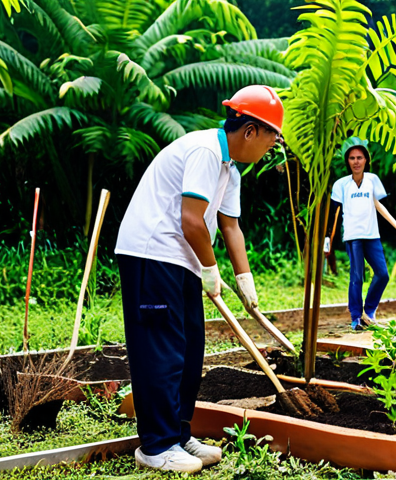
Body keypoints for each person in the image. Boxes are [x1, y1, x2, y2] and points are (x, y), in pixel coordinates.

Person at [114, 85, 283, 472]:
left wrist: (245, 279)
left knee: (190, 352)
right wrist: (211, 269)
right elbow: (191, 221)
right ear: (252, 131)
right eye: (273, 138)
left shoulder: (230, 168)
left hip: (182, 258)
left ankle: (177, 433)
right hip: (152, 253)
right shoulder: (207, 150)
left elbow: (230, 226)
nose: (271, 148)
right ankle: (155, 447)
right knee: (162, 350)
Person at [328, 138, 396, 331]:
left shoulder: (372, 180)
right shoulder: (341, 184)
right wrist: (328, 238)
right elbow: (335, 213)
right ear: (348, 161)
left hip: (372, 235)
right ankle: (356, 318)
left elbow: (378, 205)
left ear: (365, 160)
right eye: (352, 158)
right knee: (357, 277)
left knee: (382, 274)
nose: (356, 161)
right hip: (353, 237)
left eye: (359, 158)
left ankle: (369, 311)